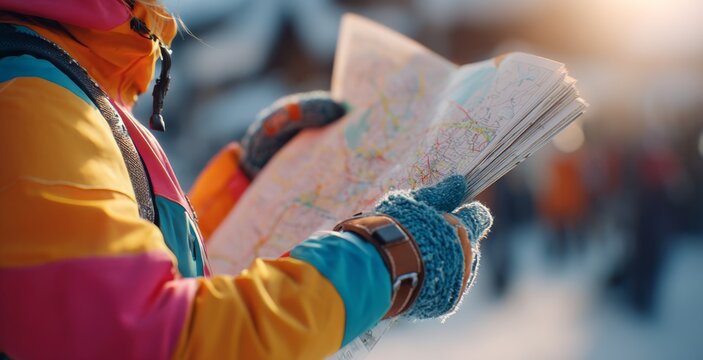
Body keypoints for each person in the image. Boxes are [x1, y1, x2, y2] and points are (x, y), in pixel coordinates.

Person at [0, 1, 492, 359]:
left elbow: (123, 283)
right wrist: (383, 261)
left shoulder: (52, 78)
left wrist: (247, 187)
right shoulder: (31, 100)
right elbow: (147, 341)